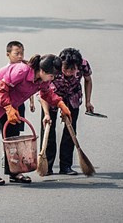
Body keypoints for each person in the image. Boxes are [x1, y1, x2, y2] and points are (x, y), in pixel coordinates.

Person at [0, 54, 72, 186]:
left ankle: (14, 172)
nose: (52, 78)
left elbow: (46, 93)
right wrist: (8, 108)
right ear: (42, 71)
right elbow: (0, 87)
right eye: (51, 75)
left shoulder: (43, 79)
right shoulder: (22, 70)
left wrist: (61, 104)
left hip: (12, 102)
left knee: (13, 137)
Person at [39, 48, 93, 176]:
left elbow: (88, 80)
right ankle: (48, 166)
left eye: (72, 70)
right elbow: (42, 92)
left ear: (78, 66)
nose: (69, 73)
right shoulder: (53, 67)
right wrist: (46, 114)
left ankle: (66, 166)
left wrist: (88, 101)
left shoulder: (83, 64)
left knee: (70, 131)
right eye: (65, 69)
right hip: (51, 96)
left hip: (73, 96)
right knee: (48, 130)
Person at [5, 41, 35, 130]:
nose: (20, 56)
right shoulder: (7, 70)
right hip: (8, 103)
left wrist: (31, 102)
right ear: (8, 54)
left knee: (16, 131)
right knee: (7, 128)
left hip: (19, 103)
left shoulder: (25, 68)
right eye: (16, 54)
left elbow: (31, 86)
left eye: (22, 53)